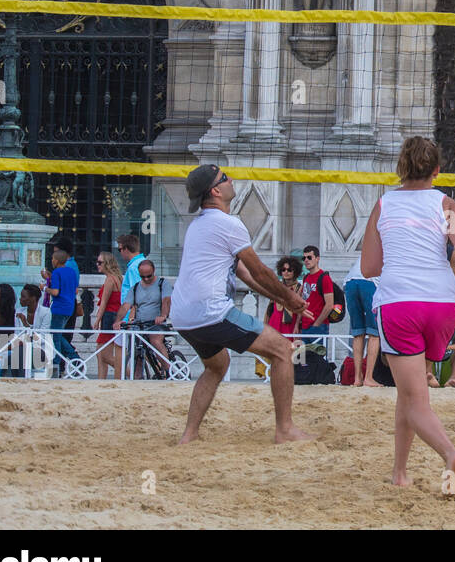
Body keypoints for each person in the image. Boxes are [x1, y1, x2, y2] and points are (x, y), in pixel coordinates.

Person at [362, 137, 455, 491]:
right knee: (412, 395)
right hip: (443, 306)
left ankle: (450, 454)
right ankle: (400, 473)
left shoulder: (383, 206)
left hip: (401, 303)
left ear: (401, 167)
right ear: (437, 170)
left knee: (415, 397)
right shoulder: (446, 205)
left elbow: (370, 267)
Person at [174, 164, 312, 445]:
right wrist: (289, 296)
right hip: (211, 312)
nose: (231, 179)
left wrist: (282, 300)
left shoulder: (198, 226)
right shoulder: (228, 224)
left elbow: (244, 274)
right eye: (225, 178)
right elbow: (259, 270)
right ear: (215, 190)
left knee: (216, 365)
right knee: (283, 350)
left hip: (183, 316)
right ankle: (284, 430)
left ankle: (189, 435)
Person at [343, 257, 382, 388]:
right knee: (374, 333)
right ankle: (368, 377)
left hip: (350, 282)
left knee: (358, 333)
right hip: (370, 282)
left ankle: (357, 378)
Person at [127, 259, 172, 370]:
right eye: (143, 276)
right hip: (141, 323)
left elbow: (166, 300)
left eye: (149, 276)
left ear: (154, 271)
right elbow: (126, 305)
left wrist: (163, 315)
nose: (146, 279)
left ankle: (168, 372)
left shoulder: (162, 283)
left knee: (155, 340)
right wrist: (119, 320)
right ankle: (137, 376)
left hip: (157, 323)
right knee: (135, 347)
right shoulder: (136, 287)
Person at [44, 239, 80, 375]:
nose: (51, 260)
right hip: (69, 307)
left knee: (55, 337)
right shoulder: (70, 271)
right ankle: (73, 356)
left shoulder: (58, 272)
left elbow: (56, 292)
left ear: (57, 260)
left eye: (53, 258)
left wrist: (45, 288)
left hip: (59, 307)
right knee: (58, 334)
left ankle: (57, 362)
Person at [90, 252, 123, 380]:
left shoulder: (110, 279)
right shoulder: (117, 277)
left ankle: (128, 373)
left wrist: (97, 320)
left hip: (109, 316)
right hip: (114, 315)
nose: (97, 265)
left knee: (104, 355)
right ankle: (101, 380)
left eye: (100, 262)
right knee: (100, 352)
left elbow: (104, 303)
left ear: (107, 264)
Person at [299, 245, 335, 341]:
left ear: (317, 259)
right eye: (304, 258)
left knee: (317, 356)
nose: (306, 260)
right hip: (305, 326)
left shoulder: (324, 278)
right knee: (304, 356)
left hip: (319, 326)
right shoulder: (306, 277)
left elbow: (329, 304)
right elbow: (302, 301)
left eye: (309, 257)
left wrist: (317, 324)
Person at [429, 324, 455, 389]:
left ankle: (452, 380)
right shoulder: (427, 329)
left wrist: (446, 347)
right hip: (430, 364)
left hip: (449, 364)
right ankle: (430, 377)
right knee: (422, 352)